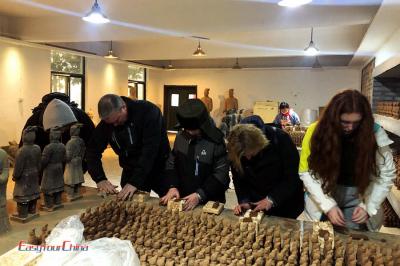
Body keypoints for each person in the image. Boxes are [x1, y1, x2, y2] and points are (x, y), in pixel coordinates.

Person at [299, 90, 396, 231]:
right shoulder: (316, 132)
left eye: (356, 122)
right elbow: (306, 172)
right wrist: (328, 205)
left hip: (358, 195)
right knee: (321, 239)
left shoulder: (374, 133)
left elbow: (386, 174)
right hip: (323, 192)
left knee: (352, 241)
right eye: (345, 122)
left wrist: (368, 206)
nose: (350, 128)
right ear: (333, 117)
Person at [86, 94, 170, 200]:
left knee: (170, 204)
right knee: (130, 207)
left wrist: (134, 182)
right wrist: (99, 178)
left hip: (158, 166)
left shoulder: (148, 112)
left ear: (123, 108)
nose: (115, 125)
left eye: (117, 120)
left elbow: (150, 151)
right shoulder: (108, 123)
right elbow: (92, 151)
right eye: (111, 123)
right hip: (131, 168)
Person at [160, 99, 229, 211]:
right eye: (186, 129)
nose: (190, 133)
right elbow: (171, 163)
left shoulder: (216, 141)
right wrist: (172, 186)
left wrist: (199, 195)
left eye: (193, 129)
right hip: (184, 199)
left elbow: (221, 174)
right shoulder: (182, 137)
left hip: (209, 201)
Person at [227, 119, 304, 219]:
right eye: (244, 156)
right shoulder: (237, 147)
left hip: (285, 204)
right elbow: (238, 178)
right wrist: (244, 200)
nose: (248, 158)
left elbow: (293, 177)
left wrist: (272, 199)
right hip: (257, 205)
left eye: (251, 154)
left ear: (259, 144)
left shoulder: (281, 139)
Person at [21, 92, 95, 150]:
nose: (61, 131)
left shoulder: (35, 117)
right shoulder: (81, 114)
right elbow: (93, 144)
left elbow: (23, 145)